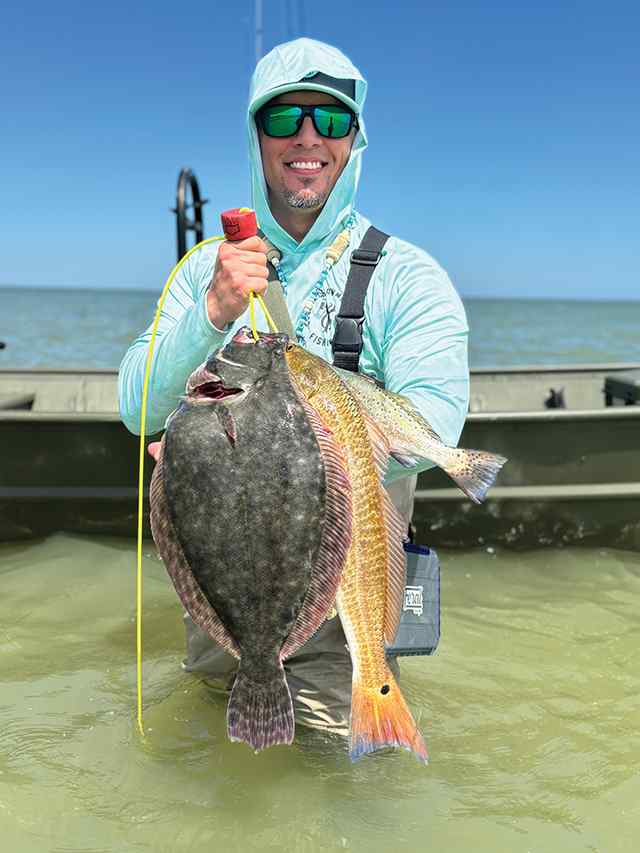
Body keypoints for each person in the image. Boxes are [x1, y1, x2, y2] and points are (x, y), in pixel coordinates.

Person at [119, 38, 469, 737]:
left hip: (342, 627)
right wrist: (213, 312)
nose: (307, 137)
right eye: (283, 119)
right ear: (256, 138)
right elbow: (136, 408)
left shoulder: (408, 278)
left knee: (343, 802)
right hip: (222, 615)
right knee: (208, 798)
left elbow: (436, 424)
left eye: (330, 120)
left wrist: (289, 462)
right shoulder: (203, 272)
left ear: (354, 140)